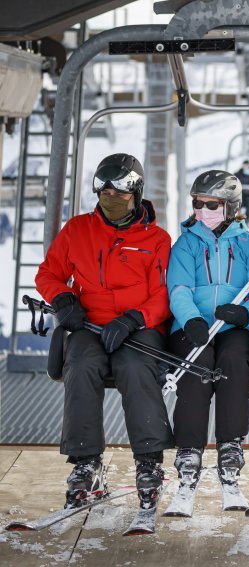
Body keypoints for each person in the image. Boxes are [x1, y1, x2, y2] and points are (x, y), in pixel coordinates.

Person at [35, 153, 173, 509]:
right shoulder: (77, 230)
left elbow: (164, 293)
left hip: (138, 326)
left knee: (135, 367)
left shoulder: (156, 239)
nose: (111, 199)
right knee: (80, 364)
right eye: (103, 191)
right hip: (89, 323)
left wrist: (134, 319)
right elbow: (48, 273)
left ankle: (148, 461)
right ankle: (86, 463)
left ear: (137, 193)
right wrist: (64, 300)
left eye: (121, 192)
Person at [166, 170, 249, 492]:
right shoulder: (187, 243)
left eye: (211, 204)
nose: (202, 210)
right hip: (193, 325)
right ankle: (190, 446)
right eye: (198, 203)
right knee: (198, 364)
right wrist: (191, 319)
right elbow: (179, 288)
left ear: (231, 206)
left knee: (234, 360)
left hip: (235, 325)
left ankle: (230, 441)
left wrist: (245, 314)